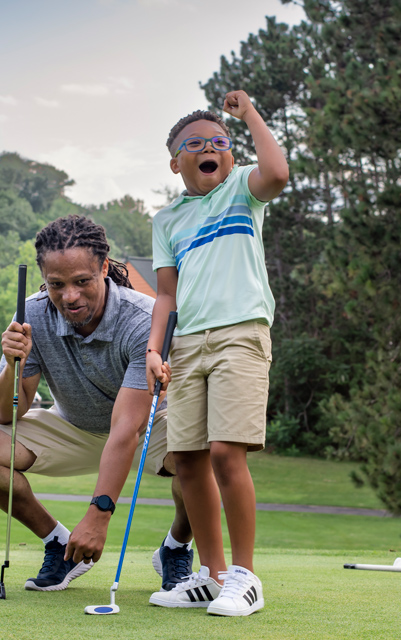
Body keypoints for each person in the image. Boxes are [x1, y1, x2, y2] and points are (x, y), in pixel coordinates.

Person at [0, 215, 195, 594]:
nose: (69, 296)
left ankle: (176, 546)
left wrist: (98, 514)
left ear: (103, 267)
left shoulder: (142, 320)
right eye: (57, 284)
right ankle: (57, 543)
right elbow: (5, 414)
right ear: (44, 278)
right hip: (72, 427)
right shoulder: (33, 313)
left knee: (204, 453)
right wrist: (12, 367)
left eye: (82, 281)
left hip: (146, 428)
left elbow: (127, 427)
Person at [144, 90, 289, 617]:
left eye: (219, 142)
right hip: (185, 346)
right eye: (195, 144)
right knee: (185, 460)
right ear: (175, 161)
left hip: (240, 336)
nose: (210, 148)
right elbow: (165, 294)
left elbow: (277, 174)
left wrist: (247, 114)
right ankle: (212, 574)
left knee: (227, 453)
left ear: (229, 153)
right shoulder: (166, 221)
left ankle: (245, 578)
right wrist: (153, 350)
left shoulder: (240, 192)